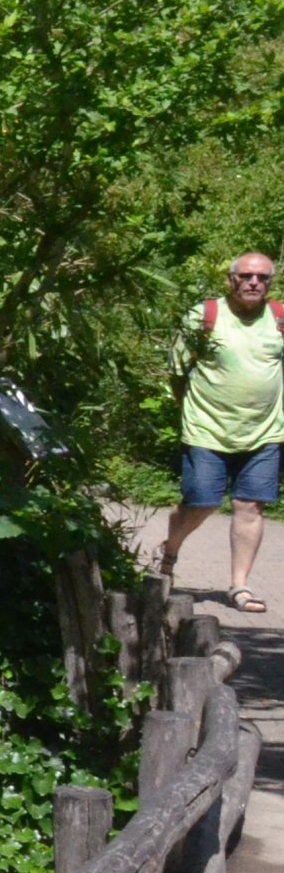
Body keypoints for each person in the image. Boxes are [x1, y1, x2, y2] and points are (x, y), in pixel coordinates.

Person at [163, 252, 284, 612]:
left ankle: (239, 586)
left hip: (265, 432)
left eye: (262, 278)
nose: (253, 283)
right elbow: (176, 371)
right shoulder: (204, 316)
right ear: (230, 280)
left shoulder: (279, 319)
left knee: (250, 506)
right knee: (201, 500)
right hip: (206, 429)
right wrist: (193, 411)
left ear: (270, 283)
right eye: (246, 276)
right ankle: (170, 550)